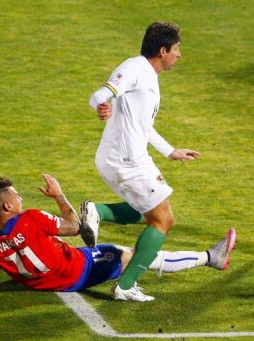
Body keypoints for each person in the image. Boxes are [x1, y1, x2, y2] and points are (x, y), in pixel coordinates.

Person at [0, 174, 236, 303]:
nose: (22, 200)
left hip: (42, 284)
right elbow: (74, 227)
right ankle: (211, 257)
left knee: (118, 245)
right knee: (133, 254)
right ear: (9, 205)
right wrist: (58, 196)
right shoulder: (33, 219)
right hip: (78, 270)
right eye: (18, 197)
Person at [84, 21, 203, 301]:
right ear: (162, 50)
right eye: (176, 49)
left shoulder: (149, 76)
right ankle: (125, 286)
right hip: (127, 161)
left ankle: (97, 212)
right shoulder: (135, 68)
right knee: (163, 220)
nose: (179, 54)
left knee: (148, 212)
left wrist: (170, 150)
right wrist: (101, 106)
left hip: (124, 159)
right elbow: (99, 95)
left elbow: (142, 125)